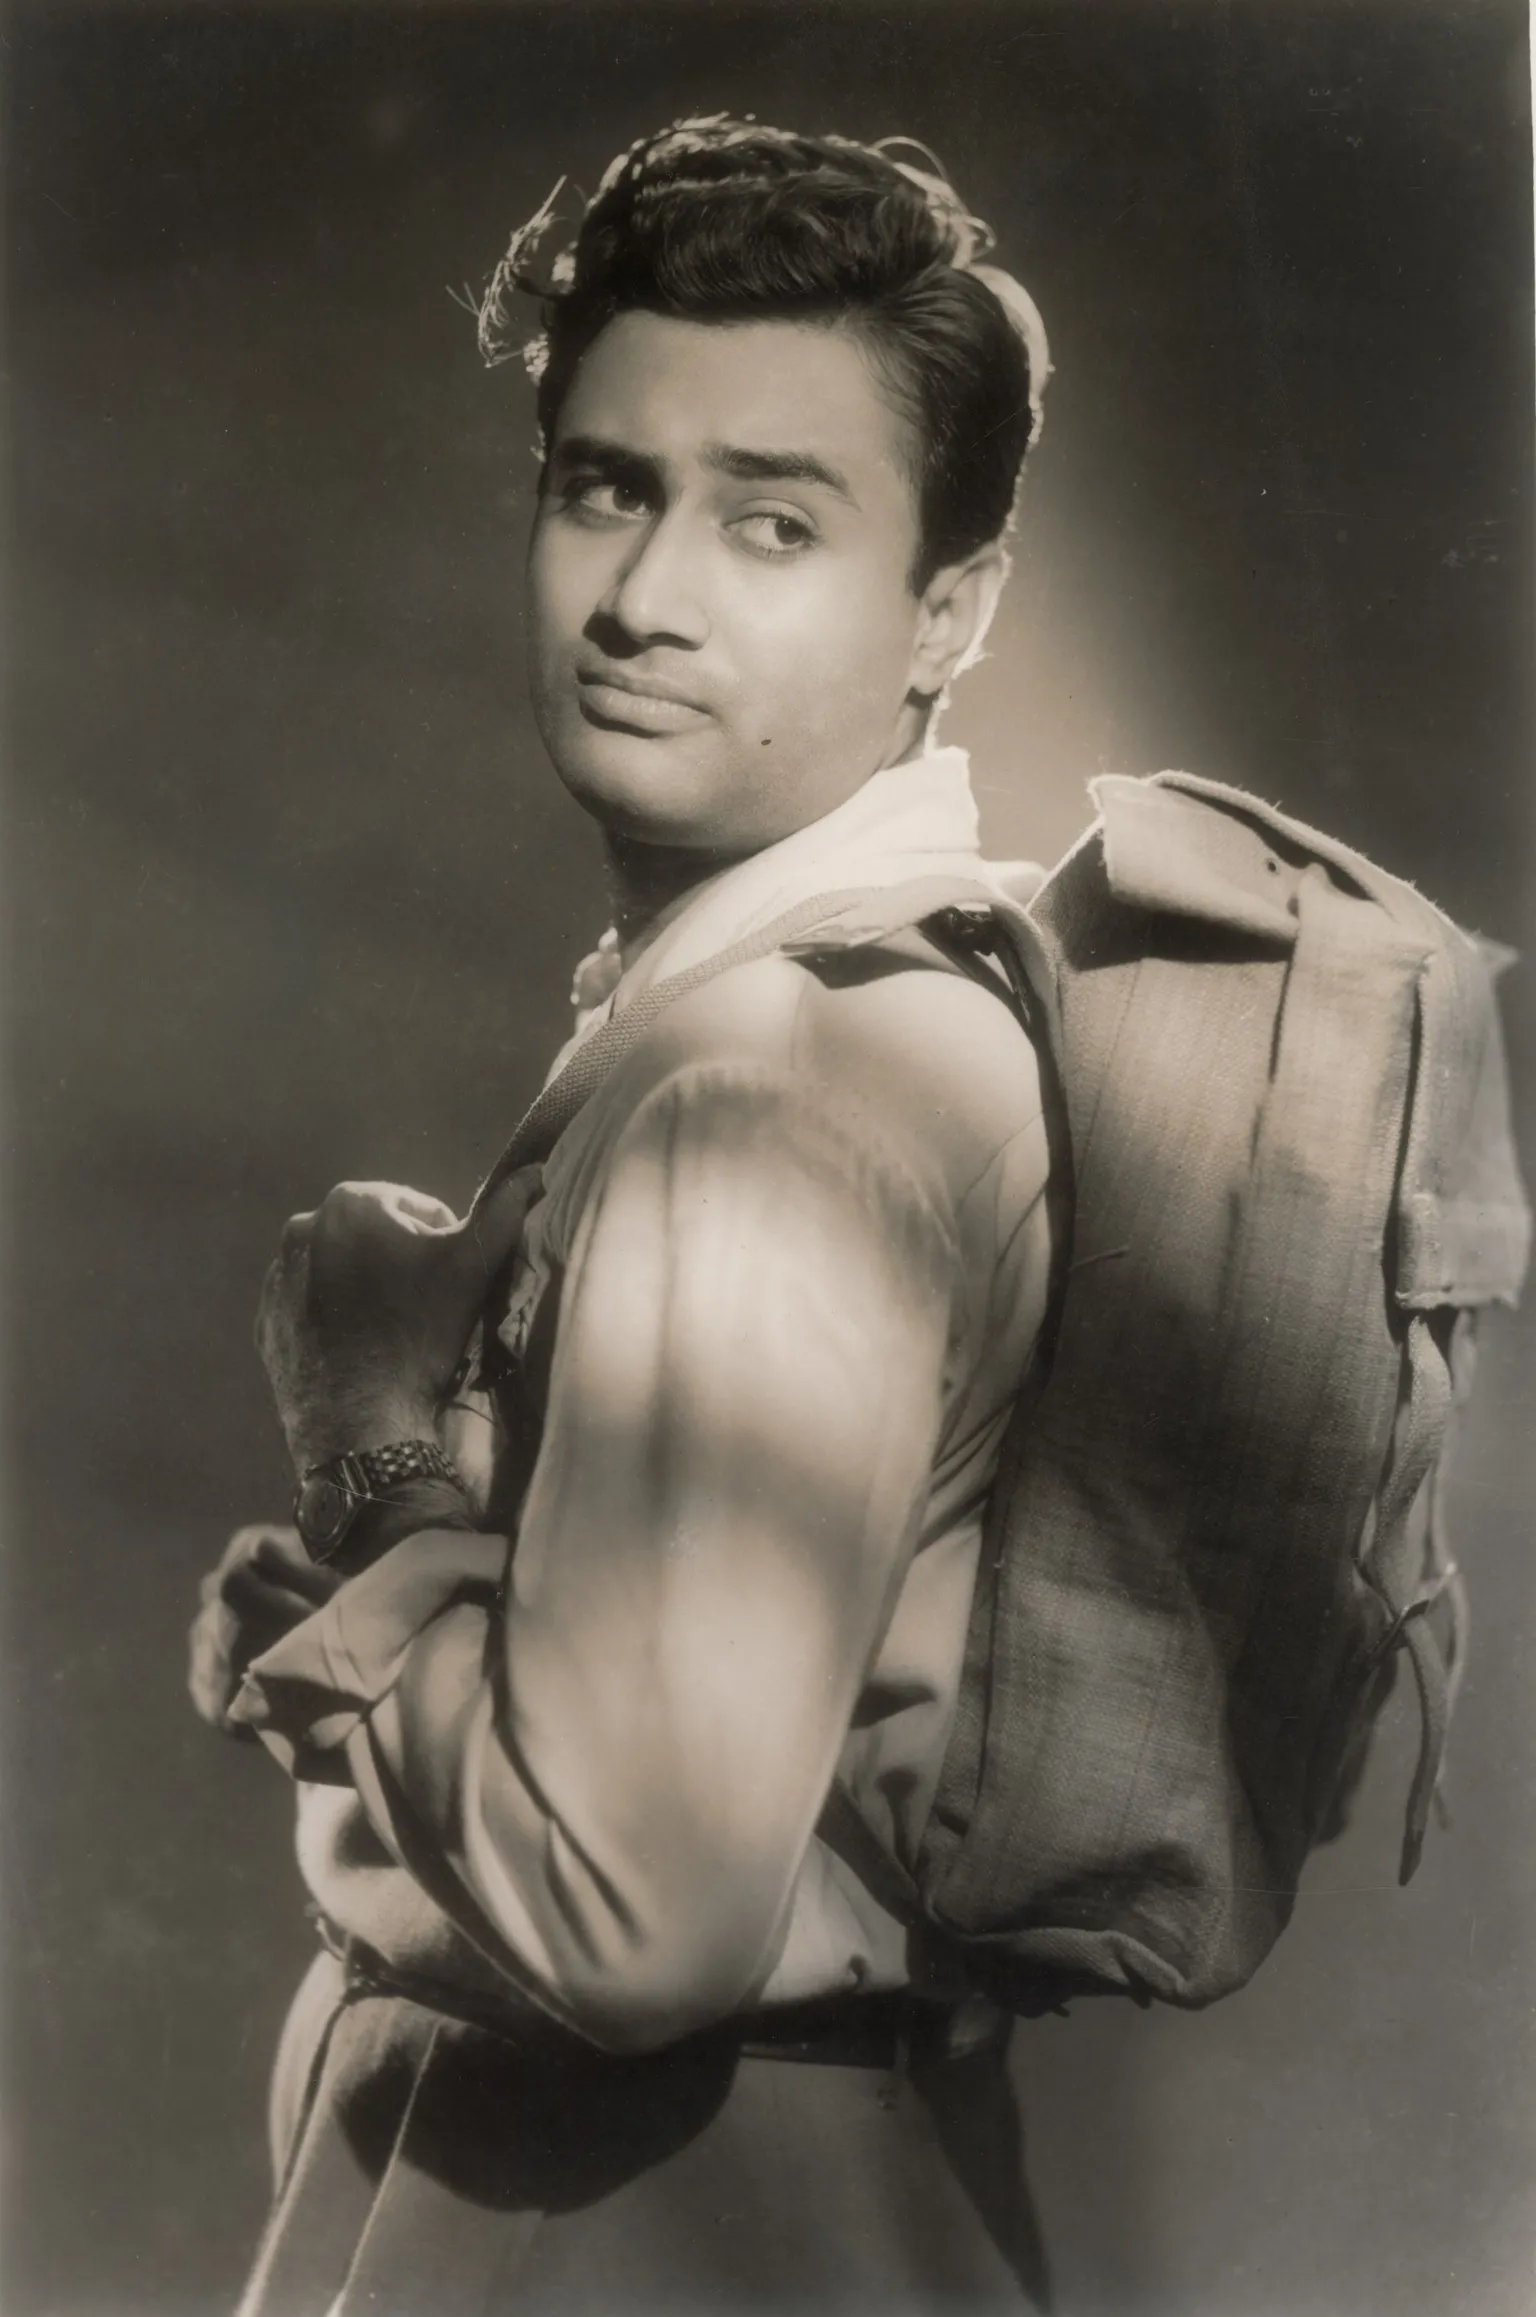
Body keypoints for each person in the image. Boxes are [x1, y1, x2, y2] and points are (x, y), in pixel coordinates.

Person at [189, 115, 1060, 2314]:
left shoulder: (781, 1079)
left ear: (949, 609)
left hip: (655, 2211)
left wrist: (376, 1445)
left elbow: (625, 1913)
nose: (650, 594)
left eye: (776, 521)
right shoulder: (818, 1010)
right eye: (607, 486)